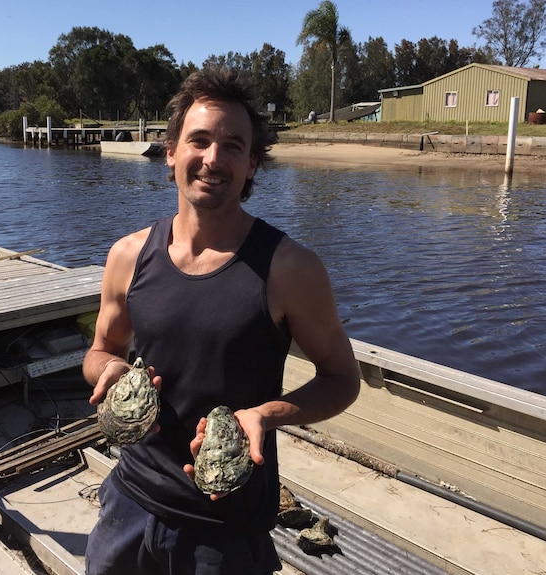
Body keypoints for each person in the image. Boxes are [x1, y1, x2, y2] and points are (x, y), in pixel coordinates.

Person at [82, 67, 361, 575]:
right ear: (170, 152)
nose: (213, 158)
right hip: (129, 500)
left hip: (224, 525)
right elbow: (101, 350)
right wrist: (109, 371)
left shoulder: (290, 268)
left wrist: (267, 415)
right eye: (200, 140)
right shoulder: (129, 255)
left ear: (253, 164)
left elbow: (343, 379)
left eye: (233, 145)